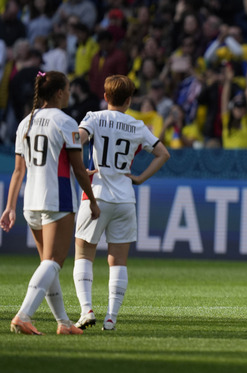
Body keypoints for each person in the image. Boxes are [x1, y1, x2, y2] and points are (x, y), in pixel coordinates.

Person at [1, 71, 100, 335]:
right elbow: (79, 169)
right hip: (57, 199)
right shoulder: (66, 122)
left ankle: (64, 323)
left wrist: (9, 206)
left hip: (30, 202)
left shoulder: (26, 122)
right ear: (58, 93)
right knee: (55, 261)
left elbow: (18, 171)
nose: (69, 93)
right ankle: (24, 315)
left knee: (48, 263)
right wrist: (92, 199)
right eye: (67, 89)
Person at [72, 75, 170, 331]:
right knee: (118, 261)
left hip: (96, 193)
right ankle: (111, 318)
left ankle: (86, 310)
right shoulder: (137, 125)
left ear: (106, 97)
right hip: (125, 197)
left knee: (83, 254)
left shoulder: (94, 117)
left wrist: (82, 167)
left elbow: (76, 140)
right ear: (129, 100)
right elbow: (163, 154)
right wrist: (139, 179)